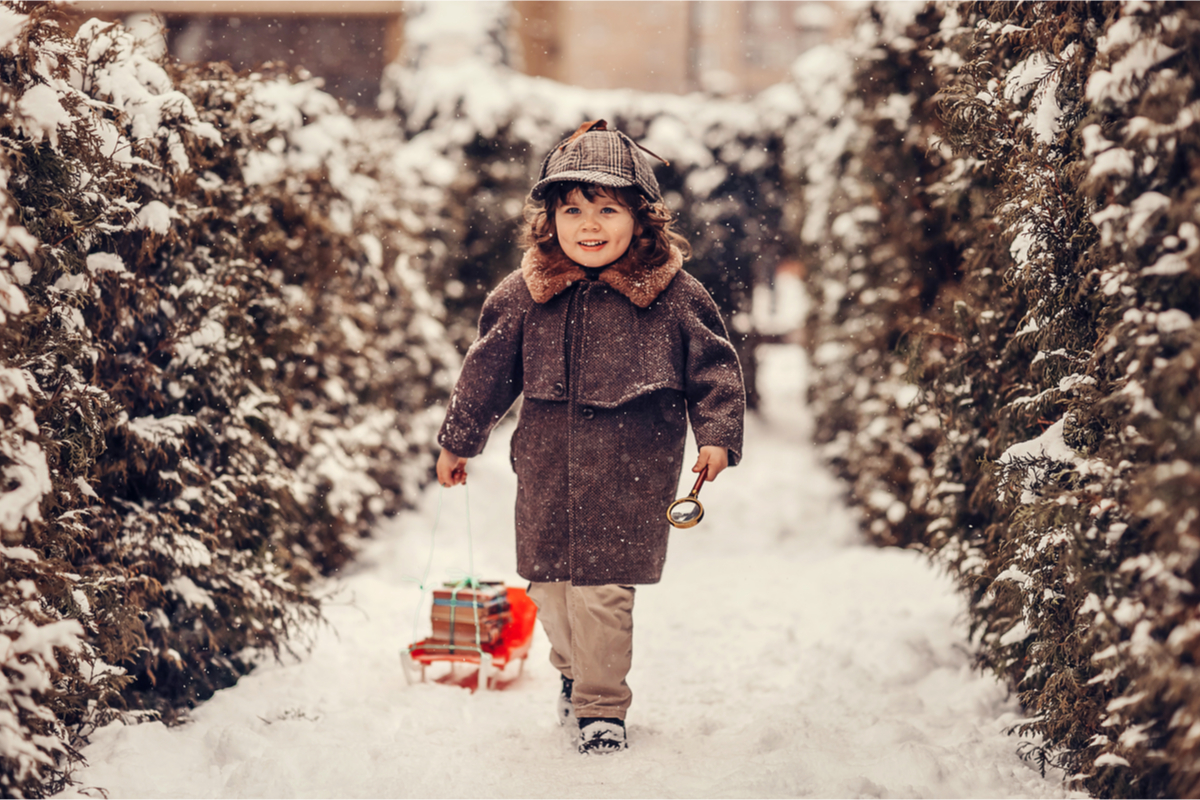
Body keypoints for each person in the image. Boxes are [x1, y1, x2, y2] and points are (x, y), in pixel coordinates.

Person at [435, 120, 745, 755]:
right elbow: (485, 373)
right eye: (572, 209)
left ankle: (602, 708)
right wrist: (460, 439)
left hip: (632, 471)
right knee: (550, 589)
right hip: (547, 468)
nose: (589, 224)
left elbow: (714, 369)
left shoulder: (675, 295)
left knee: (603, 593)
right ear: (550, 218)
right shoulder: (525, 293)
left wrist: (715, 434)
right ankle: (573, 675)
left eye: (608, 208)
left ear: (642, 217)